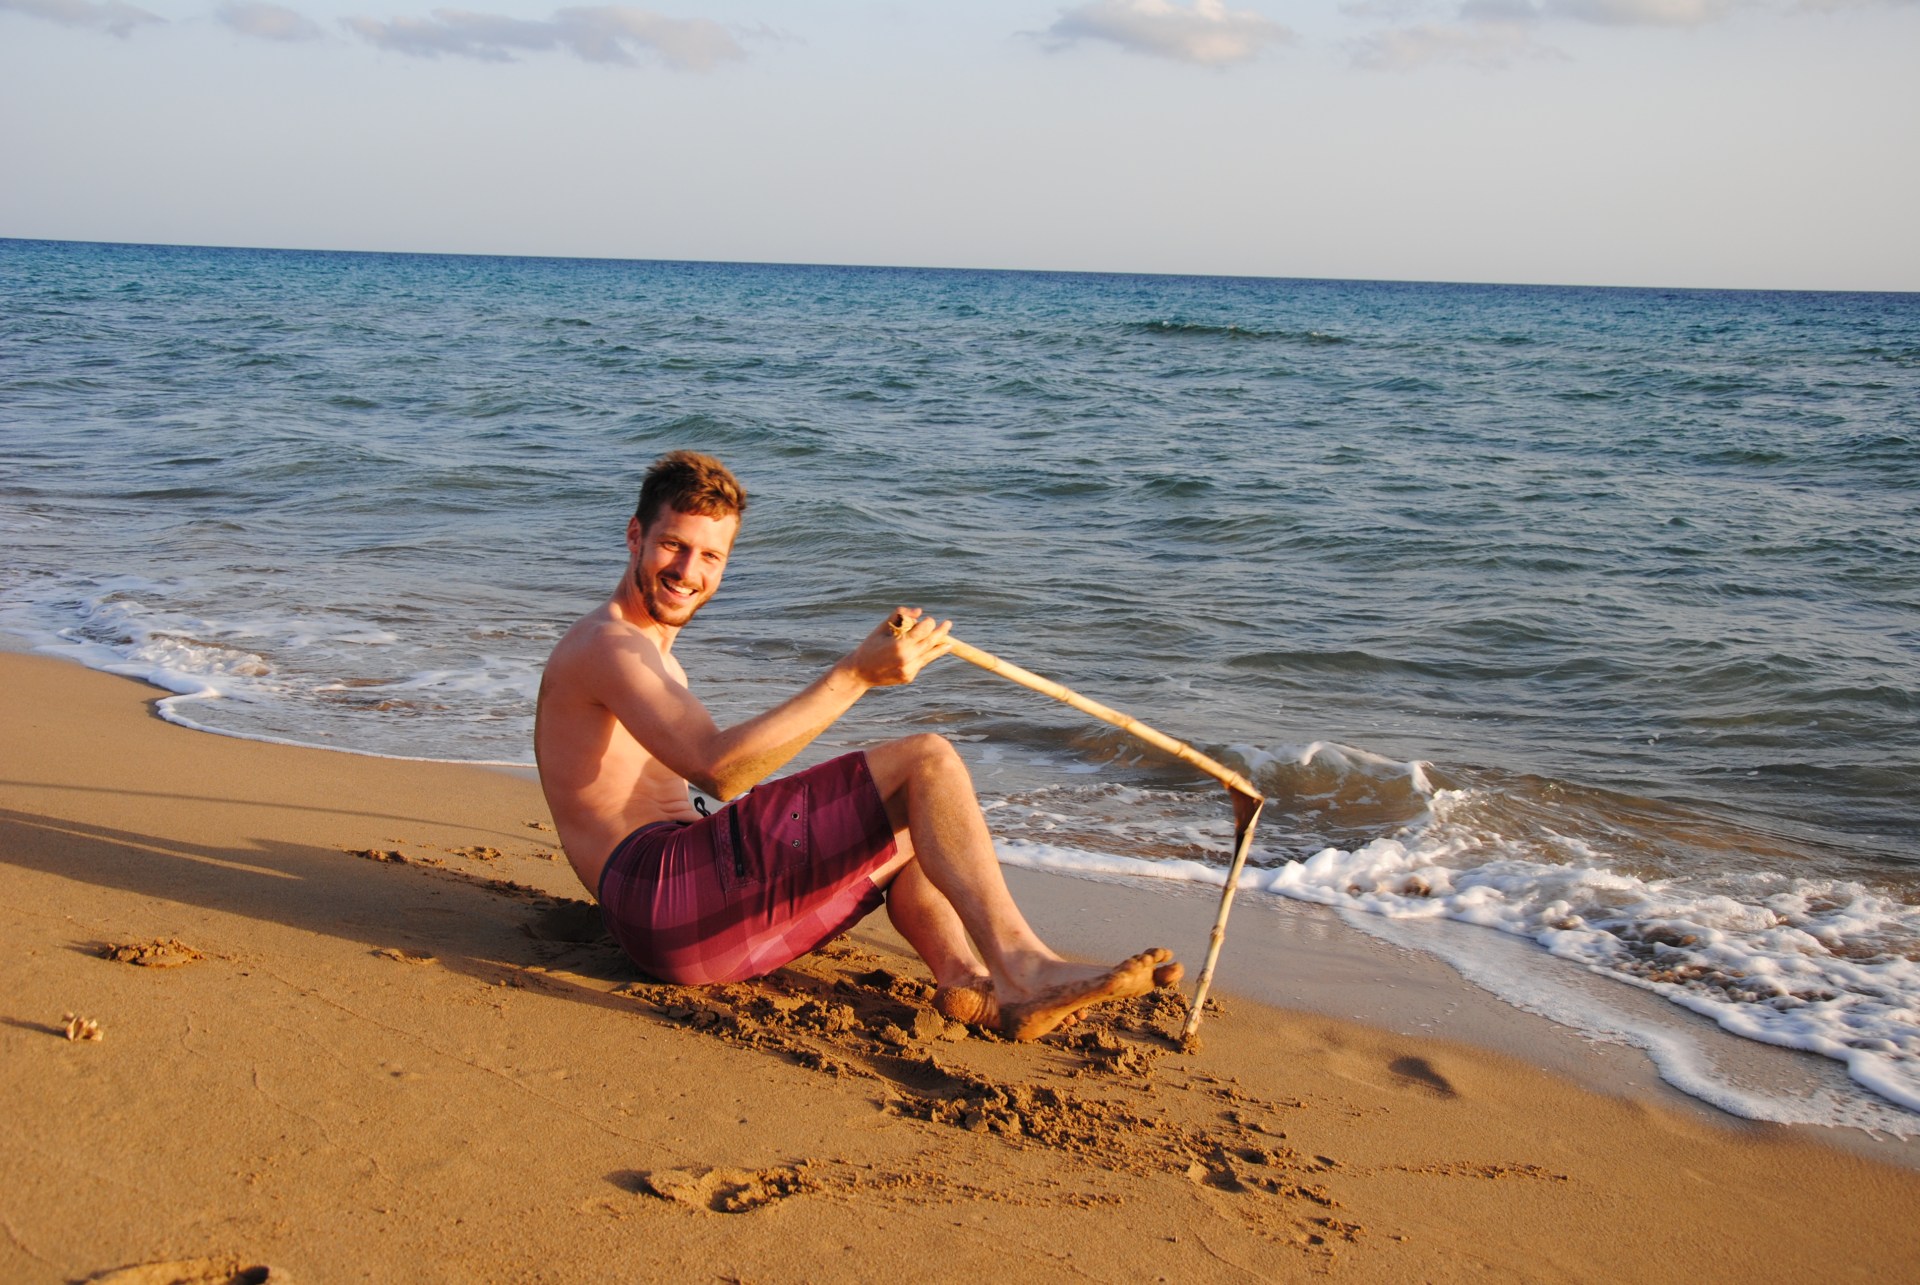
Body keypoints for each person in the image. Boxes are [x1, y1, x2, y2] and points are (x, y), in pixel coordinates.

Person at [534, 450, 1180, 1040]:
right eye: (674, 545)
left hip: (683, 923)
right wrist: (855, 673)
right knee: (926, 761)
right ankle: (1023, 963)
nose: (688, 570)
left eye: (711, 557)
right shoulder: (609, 645)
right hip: (660, 898)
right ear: (634, 537)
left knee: (926, 821)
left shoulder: (644, 653)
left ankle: (969, 981)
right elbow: (718, 768)